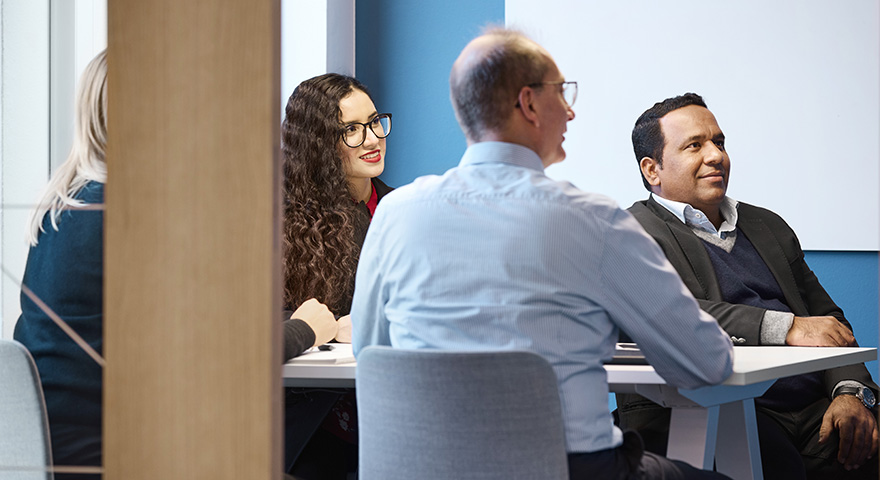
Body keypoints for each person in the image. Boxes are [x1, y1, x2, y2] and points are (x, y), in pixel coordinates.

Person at [351, 28, 734, 479]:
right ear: (530, 104)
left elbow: (369, 349)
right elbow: (707, 362)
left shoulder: (395, 214)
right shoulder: (594, 221)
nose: (570, 111)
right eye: (562, 93)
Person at [12, 50, 337, 480]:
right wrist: (306, 329)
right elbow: (224, 362)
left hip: (60, 457)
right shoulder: (134, 221)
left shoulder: (61, 210)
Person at [618, 92, 879, 479]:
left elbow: (829, 323)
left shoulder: (767, 225)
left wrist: (851, 392)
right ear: (652, 170)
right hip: (702, 407)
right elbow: (670, 313)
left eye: (719, 142)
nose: (715, 155)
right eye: (695, 145)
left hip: (812, 407)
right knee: (770, 461)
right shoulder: (625, 234)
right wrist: (786, 327)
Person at [280, 73, 393, 478]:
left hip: (394, 408)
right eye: (351, 130)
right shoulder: (282, 224)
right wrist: (318, 329)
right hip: (314, 422)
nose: (372, 138)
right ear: (319, 144)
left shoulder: (404, 210)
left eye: (375, 121)